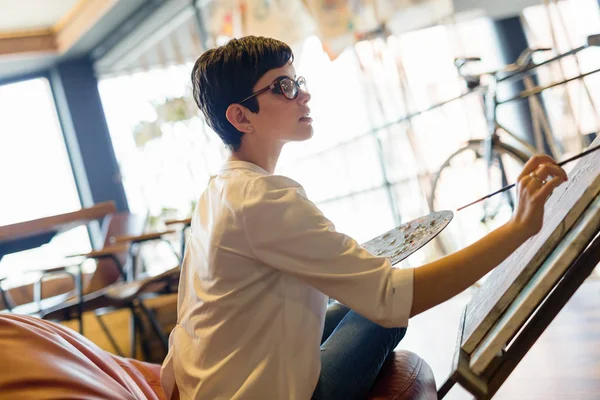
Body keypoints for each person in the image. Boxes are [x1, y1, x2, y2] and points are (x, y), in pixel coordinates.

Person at [160, 36, 568, 400]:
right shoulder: (262, 197)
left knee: (358, 306)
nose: (302, 95)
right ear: (241, 117)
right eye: (283, 87)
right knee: (384, 315)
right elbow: (391, 297)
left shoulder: (218, 190)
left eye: (297, 81)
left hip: (209, 383)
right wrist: (518, 229)